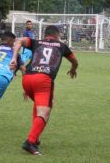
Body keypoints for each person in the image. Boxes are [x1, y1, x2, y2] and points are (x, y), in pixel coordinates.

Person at [10, 25, 78, 155]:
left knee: (39, 106)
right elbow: (74, 61)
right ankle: (30, 142)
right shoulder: (62, 46)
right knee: (45, 112)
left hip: (27, 79)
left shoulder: (36, 42)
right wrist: (74, 68)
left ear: (45, 34)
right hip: (43, 80)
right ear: (57, 35)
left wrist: (14, 58)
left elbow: (18, 41)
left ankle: (35, 138)